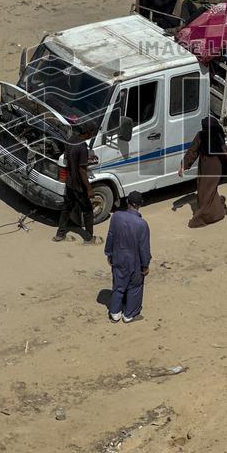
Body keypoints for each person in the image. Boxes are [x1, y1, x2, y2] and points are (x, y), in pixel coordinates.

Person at [178, 117, 227, 228]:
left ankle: (206, 216)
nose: (204, 129)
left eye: (205, 127)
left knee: (206, 191)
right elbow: (193, 151)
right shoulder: (200, 135)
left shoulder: (217, 137)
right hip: (203, 165)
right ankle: (216, 209)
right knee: (204, 189)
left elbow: (226, 153)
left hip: (214, 166)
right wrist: (183, 166)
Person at [105, 191, 151, 323]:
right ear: (140, 204)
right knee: (135, 287)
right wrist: (145, 265)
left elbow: (111, 236)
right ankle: (129, 314)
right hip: (134, 262)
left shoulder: (116, 217)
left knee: (118, 285)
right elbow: (144, 248)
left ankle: (115, 313)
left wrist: (109, 254)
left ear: (127, 202)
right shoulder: (142, 224)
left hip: (118, 258)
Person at [54, 124, 99, 243]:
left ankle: (60, 234)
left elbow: (68, 160)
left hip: (69, 183)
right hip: (79, 186)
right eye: (92, 132)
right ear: (87, 132)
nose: (92, 134)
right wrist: (89, 188)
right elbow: (82, 170)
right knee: (88, 211)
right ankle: (89, 238)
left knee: (66, 208)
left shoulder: (71, 140)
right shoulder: (82, 147)